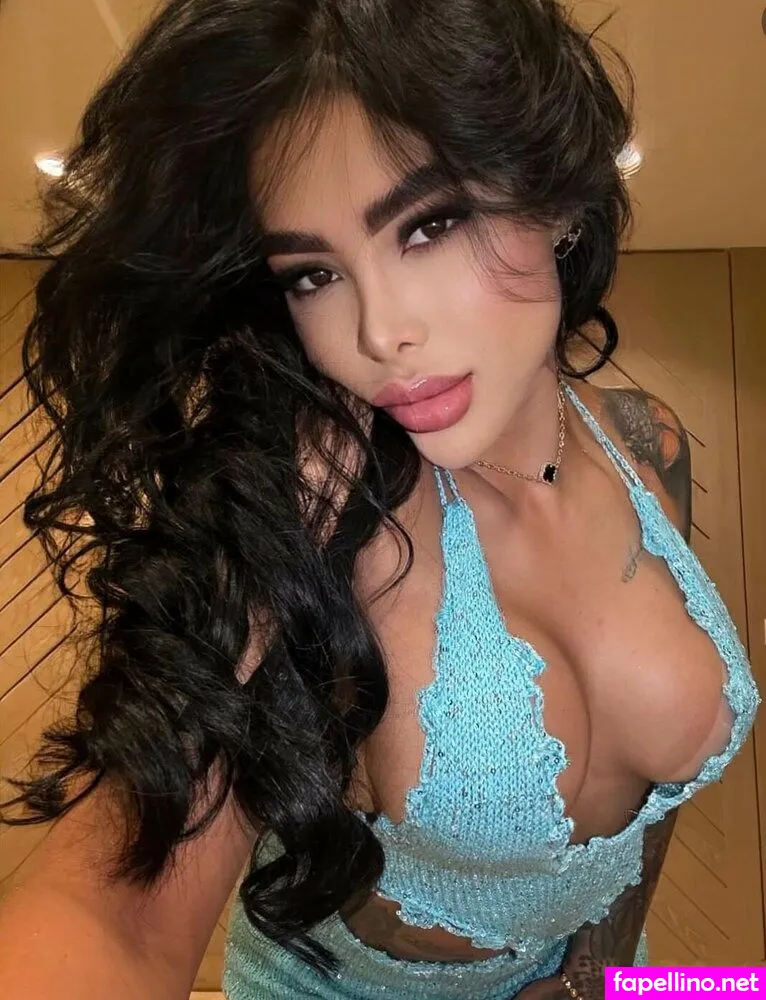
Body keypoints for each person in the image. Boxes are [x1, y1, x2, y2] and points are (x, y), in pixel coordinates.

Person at [0, 1, 759, 998]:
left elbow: (649, 815)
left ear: (558, 196)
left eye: (429, 223)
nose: (377, 331)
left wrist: (600, 977)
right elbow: (117, 916)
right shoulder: (311, 511)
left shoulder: (646, 439)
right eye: (313, 274)